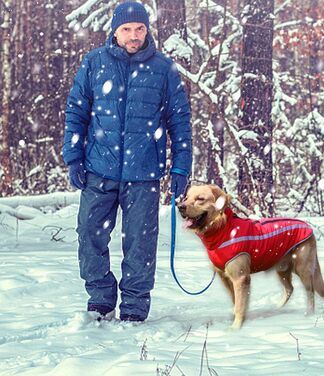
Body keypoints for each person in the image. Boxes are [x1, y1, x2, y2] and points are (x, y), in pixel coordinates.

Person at [62, 1, 192, 322]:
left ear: (147, 30)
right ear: (115, 31)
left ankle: (134, 306)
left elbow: (180, 120)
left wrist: (180, 167)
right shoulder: (94, 64)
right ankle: (101, 299)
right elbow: (76, 113)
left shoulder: (163, 68)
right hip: (98, 170)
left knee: (140, 243)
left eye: (140, 29)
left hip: (143, 173)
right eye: (127, 29)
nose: (134, 35)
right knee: (89, 235)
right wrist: (73, 157)